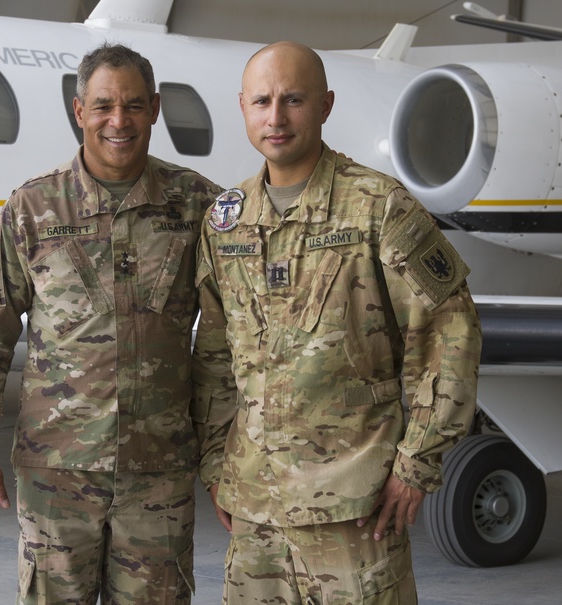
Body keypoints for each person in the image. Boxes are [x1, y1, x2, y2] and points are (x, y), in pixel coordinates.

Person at [193, 41, 482, 604]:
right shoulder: (227, 222)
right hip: (256, 511)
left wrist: (417, 462)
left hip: (355, 509)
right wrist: (215, 466)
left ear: (325, 105)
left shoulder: (377, 207)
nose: (275, 117)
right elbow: (214, 355)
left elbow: (449, 331)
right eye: (262, 102)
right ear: (243, 109)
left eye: (293, 99)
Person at [0, 43, 228, 604]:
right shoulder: (31, 209)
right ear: (79, 112)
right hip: (56, 475)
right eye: (102, 106)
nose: (118, 121)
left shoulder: (197, 207)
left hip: (158, 474)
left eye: (133, 106)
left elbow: (230, 343)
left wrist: (225, 457)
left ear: (155, 110)